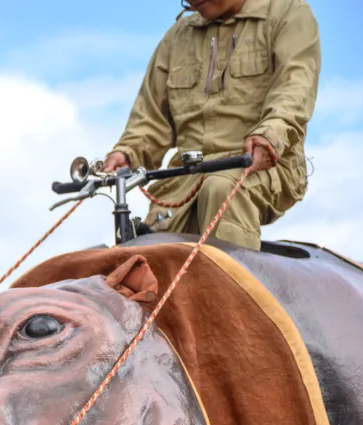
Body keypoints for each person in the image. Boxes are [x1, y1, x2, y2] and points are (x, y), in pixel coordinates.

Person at [102, 0, 320, 249]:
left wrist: (270, 134)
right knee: (148, 247)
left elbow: (294, 89)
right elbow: (150, 119)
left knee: (221, 188)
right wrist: (126, 153)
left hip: (262, 165)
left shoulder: (288, 13)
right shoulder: (177, 37)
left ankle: (234, 285)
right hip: (185, 177)